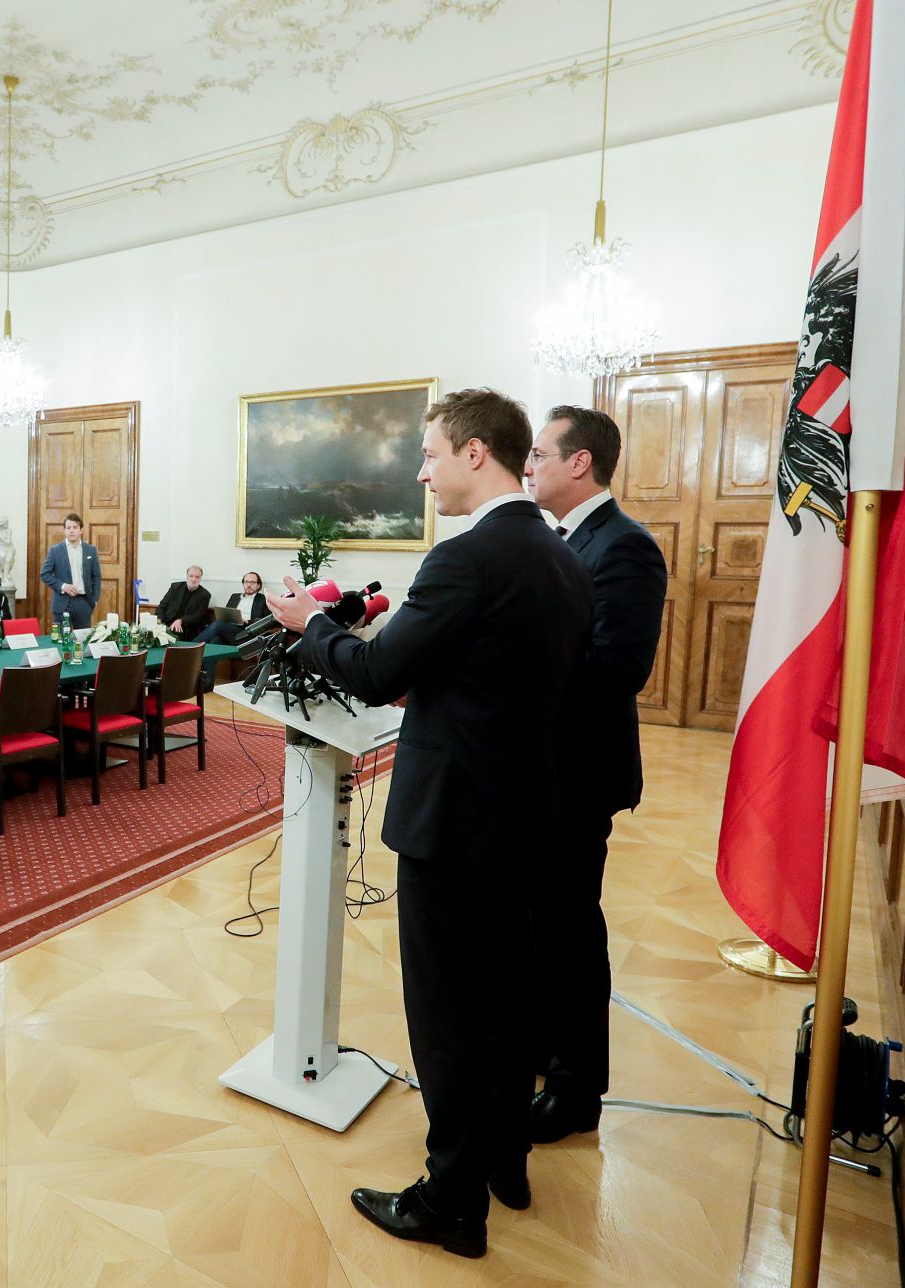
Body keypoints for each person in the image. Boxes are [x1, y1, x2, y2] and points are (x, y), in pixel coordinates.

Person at [270, 387, 591, 1260]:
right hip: (528, 815)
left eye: (430, 454)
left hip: (456, 823)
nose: (421, 471)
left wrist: (307, 627)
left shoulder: (468, 557)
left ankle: (450, 1201)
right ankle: (502, 1161)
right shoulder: (562, 557)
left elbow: (375, 673)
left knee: (451, 1018)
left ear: (476, 454)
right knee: (510, 1002)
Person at [522, 405, 668, 1144]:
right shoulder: (558, 543)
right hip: (538, 771)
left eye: (541, 454)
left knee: (572, 931)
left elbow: (618, 666)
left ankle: (578, 1089)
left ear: (580, 463)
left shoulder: (625, 548)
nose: (530, 465)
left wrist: (509, 680)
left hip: (578, 773)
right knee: (543, 925)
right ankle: (549, 1053)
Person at [194, 571, 268, 687]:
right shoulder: (234, 597)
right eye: (246, 582)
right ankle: (208, 682)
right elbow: (227, 615)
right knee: (214, 642)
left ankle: (191, 646)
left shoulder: (263, 599)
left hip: (247, 635)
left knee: (218, 625)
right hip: (230, 631)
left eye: (253, 582)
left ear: (258, 585)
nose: (249, 585)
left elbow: (265, 621)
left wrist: (247, 621)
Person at [39, 513, 100, 629]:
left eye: (75, 527)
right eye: (68, 528)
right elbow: (45, 574)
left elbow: (96, 576)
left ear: (81, 530)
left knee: (82, 640)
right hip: (61, 603)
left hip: (84, 602)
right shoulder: (55, 550)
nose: (71, 531)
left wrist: (95, 599)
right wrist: (63, 586)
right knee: (60, 641)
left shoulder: (90, 551)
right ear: (64, 531)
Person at [156, 566, 213, 640]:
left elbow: (198, 616)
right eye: (191, 576)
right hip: (166, 623)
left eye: (197, 577)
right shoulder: (175, 587)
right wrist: (159, 619)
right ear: (187, 576)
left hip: (186, 628)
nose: (193, 579)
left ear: (200, 578)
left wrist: (181, 620)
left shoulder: (205, 595)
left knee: (173, 634)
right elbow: (162, 606)